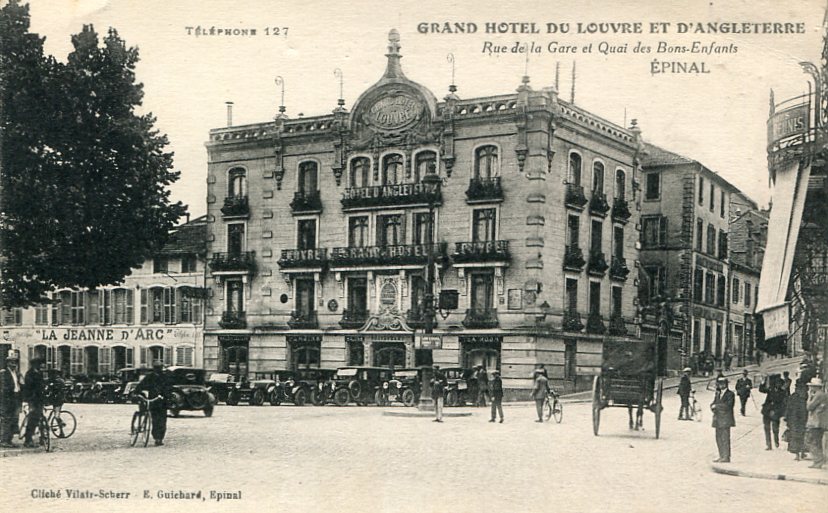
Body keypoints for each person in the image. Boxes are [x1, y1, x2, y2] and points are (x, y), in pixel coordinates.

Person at [134, 360, 172, 446]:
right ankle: (157, 438)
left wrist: (166, 396)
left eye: (159, 368)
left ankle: (159, 438)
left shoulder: (165, 377)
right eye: (156, 368)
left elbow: (168, 388)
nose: (157, 369)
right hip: (153, 400)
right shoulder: (150, 377)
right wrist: (137, 392)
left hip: (161, 401)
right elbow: (141, 385)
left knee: (161, 421)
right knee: (156, 420)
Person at [22, 357, 46, 448]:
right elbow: (28, 388)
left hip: (39, 399)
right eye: (40, 364)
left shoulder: (39, 373)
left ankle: (41, 439)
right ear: (35, 365)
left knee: (39, 419)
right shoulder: (29, 374)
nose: (41, 366)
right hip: (32, 399)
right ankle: (28, 440)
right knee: (32, 420)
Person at [710, 376, 735, 463]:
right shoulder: (718, 394)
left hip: (725, 420)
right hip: (717, 419)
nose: (721, 385)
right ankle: (721, 455)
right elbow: (713, 403)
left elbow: (729, 406)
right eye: (719, 384)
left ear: (726, 384)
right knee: (718, 438)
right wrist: (712, 406)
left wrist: (716, 406)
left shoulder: (730, 394)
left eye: (723, 384)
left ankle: (726, 457)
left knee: (725, 438)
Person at [0, 350, 22, 448]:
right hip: (7, 399)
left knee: (14, 419)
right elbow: (4, 388)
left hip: (15, 398)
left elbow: (18, 385)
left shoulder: (16, 373)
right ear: (8, 363)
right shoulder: (4, 373)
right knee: (6, 420)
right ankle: (4, 440)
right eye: (12, 362)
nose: (14, 364)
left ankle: (9, 440)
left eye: (15, 362)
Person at [759, 374, 787, 450]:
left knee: (775, 429)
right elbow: (762, 390)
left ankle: (776, 442)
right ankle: (768, 445)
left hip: (775, 413)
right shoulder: (770, 389)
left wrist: (777, 412)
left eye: (779, 384)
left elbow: (782, 405)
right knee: (766, 428)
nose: (778, 385)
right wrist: (762, 382)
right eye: (777, 383)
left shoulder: (783, 393)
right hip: (766, 411)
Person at [805, 377, 827, 469]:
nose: (810, 388)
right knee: (816, 441)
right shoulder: (823, 395)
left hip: (816, 422)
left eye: (811, 386)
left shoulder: (818, 395)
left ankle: (818, 460)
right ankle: (818, 460)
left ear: (815, 387)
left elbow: (809, 407)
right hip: (820, 422)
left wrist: (809, 397)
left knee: (812, 441)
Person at [784, 379, 808, 461]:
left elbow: (788, 408)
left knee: (795, 437)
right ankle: (801, 453)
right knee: (801, 436)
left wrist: (786, 418)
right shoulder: (804, 396)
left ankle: (798, 454)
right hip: (801, 419)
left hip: (794, 420)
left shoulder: (793, 396)